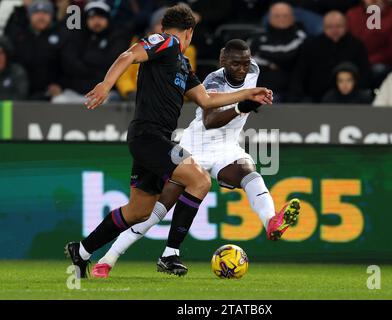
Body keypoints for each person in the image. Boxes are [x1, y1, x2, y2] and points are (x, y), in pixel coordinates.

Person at [65, 4, 273, 279]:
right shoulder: (166, 42)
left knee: (138, 211)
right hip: (149, 136)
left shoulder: (183, 65)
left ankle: (81, 251)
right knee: (199, 180)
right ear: (189, 32)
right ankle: (170, 253)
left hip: (155, 139)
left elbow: (208, 100)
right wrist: (106, 84)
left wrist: (248, 93)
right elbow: (128, 55)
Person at [91, 40, 301, 278]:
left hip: (227, 147)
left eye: (244, 62)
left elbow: (248, 101)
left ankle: (270, 222)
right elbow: (210, 121)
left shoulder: (254, 69)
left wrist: (256, 101)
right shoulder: (213, 81)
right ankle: (108, 259)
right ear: (223, 61)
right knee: (156, 210)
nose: (242, 68)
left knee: (251, 175)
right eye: (235, 64)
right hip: (195, 147)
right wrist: (242, 107)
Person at [288, 10, 371, 102]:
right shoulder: (311, 45)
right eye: (330, 27)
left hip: (348, 97)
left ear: (346, 26)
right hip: (315, 97)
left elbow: (365, 72)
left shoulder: (356, 45)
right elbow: (300, 73)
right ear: (323, 27)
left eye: (339, 26)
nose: (334, 30)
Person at [56, 1, 130, 103]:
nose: (96, 21)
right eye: (92, 18)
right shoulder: (77, 37)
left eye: (100, 17)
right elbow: (69, 64)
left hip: (105, 93)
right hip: (76, 91)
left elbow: (111, 64)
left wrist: (85, 64)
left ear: (108, 19)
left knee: (112, 100)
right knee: (59, 100)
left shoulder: (117, 37)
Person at [250, 2, 307, 102]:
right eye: (277, 16)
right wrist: (269, 63)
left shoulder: (300, 35)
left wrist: (263, 54)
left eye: (285, 16)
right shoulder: (259, 37)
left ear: (292, 18)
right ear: (270, 18)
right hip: (262, 92)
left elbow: (287, 55)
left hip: (293, 93)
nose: (281, 19)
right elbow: (250, 60)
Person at [7, 0, 62, 100]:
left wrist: (60, 84)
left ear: (51, 15)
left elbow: (67, 65)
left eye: (45, 13)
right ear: (29, 16)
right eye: (36, 13)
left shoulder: (60, 35)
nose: (41, 17)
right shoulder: (19, 36)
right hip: (20, 90)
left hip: (49, 93)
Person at [346, 0, 392, 87]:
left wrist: (370, 61)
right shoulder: (352, 14)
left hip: (381, 62)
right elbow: (347, 44)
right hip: (356, 61)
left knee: (377, 70)